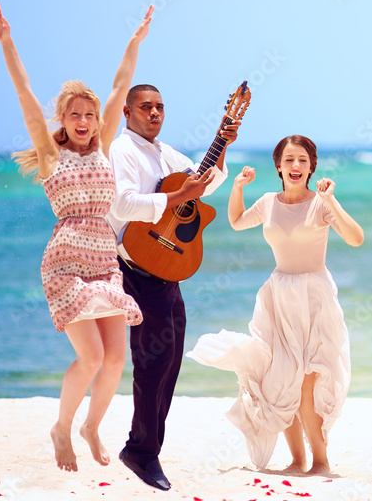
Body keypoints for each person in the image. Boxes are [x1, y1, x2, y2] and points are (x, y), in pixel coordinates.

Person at [0, 1, 150, 473]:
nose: (82, 120)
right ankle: (62, 427)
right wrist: (7, 42)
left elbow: (120, 86)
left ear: (99, 121)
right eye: (74, 114)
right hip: (66, 266)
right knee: (91, 355)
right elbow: (25, 96)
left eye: (89, 114)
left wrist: (135, 41)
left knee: (117, 358)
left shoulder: (105, 146)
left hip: (104, 261)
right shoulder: (51, 155)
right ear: (63, 119)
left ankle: (91, 427)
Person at [188, 135, 363, 474]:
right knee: (281, 379)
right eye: (288, 160)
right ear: (279, 166)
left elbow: (356, 238)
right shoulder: (268, 202)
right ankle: (297, 460)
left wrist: (332, 200)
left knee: (309, 379)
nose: (295, 166)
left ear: (311, 166)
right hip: (277, 298)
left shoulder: (321, 203)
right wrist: (237, 186)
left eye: (302, 160)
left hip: (315, 299)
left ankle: (321, 462)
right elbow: (237, 221)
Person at [106, 83, 239, 490]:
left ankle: (144, 448)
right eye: (146, 107)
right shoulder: (122, 150)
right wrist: (176, 197)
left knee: (170, 363)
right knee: (150, 365)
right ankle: (142, 452)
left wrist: (224, 143)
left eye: (160, 107)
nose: (154, 113)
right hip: (136, 267)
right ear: (128, 112)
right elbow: (122, 204)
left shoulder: (166, 153)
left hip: (168, 268)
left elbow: (205, 184)